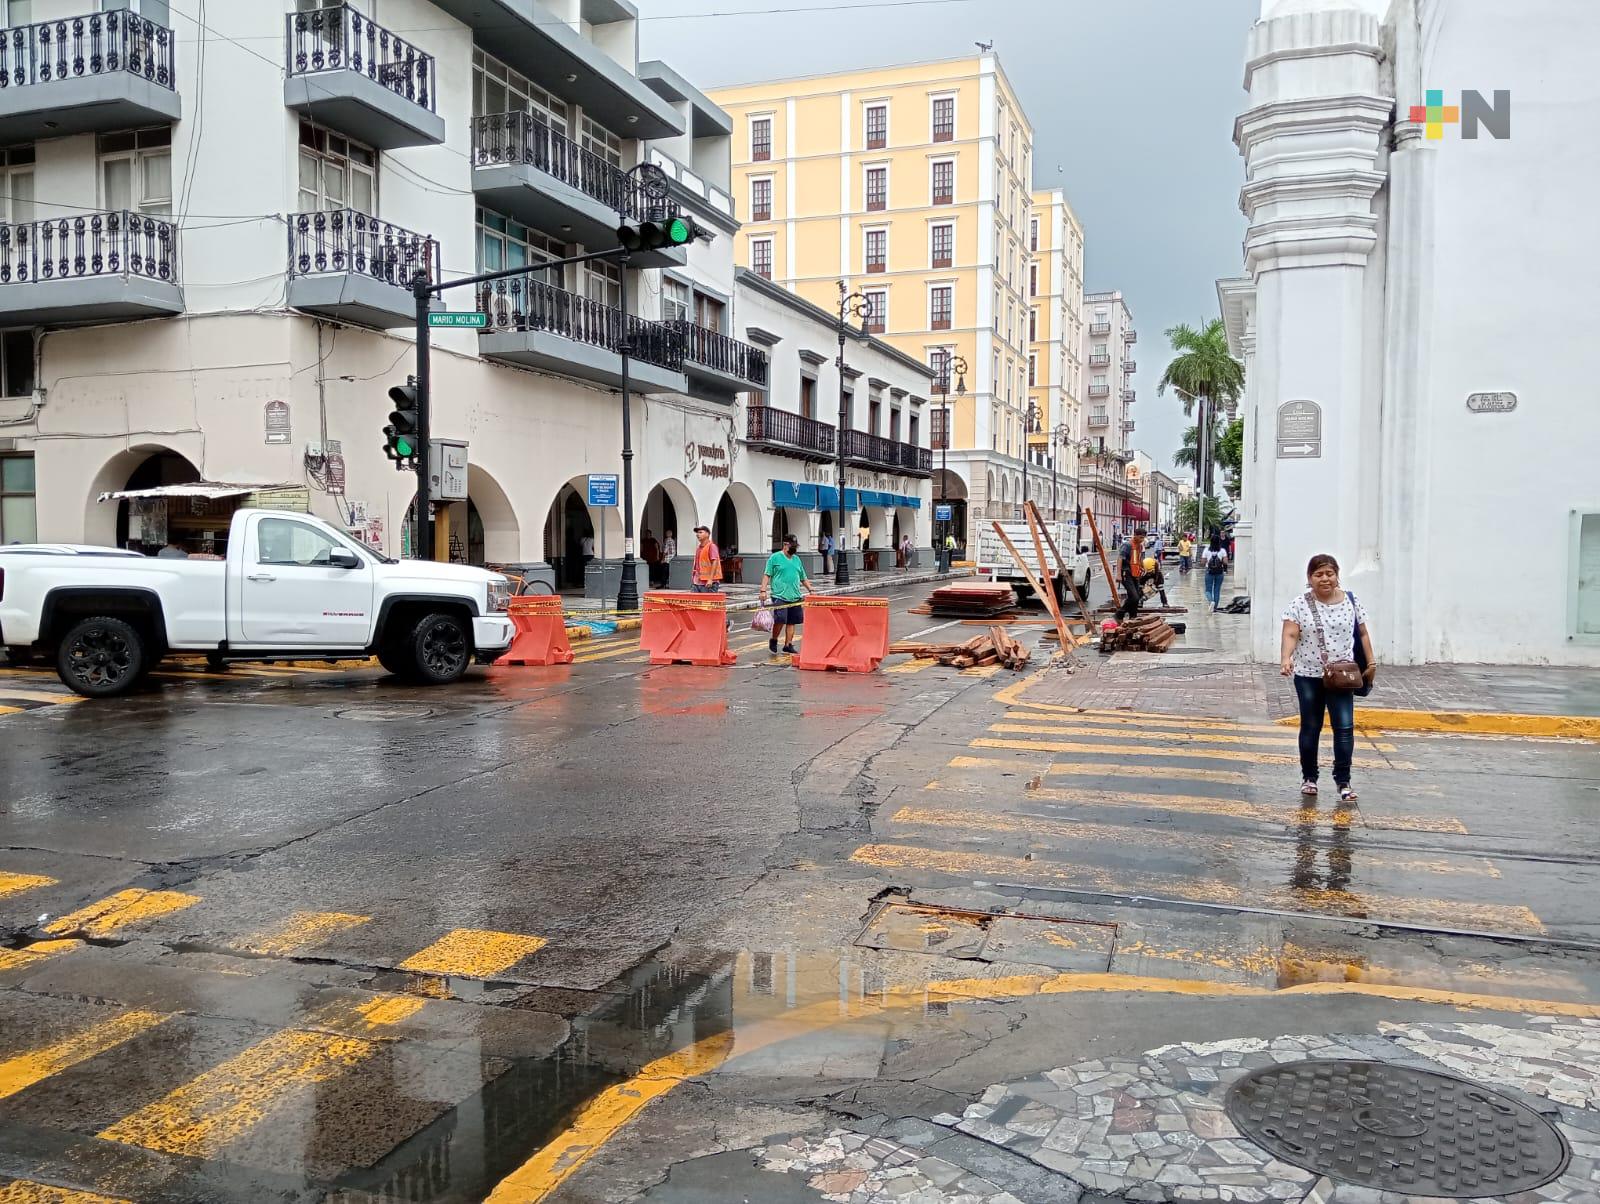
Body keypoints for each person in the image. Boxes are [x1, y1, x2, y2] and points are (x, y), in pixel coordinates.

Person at [1280, 553, 1377, 802]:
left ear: (1337, 575)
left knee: (1344, 728)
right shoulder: (1299, 604)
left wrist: (1371, 661)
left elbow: (1363, 633)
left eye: (1330, 573)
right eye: (1319, 574)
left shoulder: (1351, 601)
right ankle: (1309, 777)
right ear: (1309, 578)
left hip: (1342, 675)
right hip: (1308, 675)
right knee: (1311, 727)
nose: (1325, 579)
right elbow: (1291, 634)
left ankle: (1343, 781)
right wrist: (1286, 658)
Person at [761, 533, 814, 655]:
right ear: (785, 545)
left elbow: (803, 577)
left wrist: (811, 589)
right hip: (779, 595)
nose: (794, 548)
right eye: (792, 546)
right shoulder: (775, 558)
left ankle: (788, 644)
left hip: (795, 595)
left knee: (792, 621)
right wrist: (763, 591)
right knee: (780, 619)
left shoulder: (797, 559)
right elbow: (767, 574)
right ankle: (774, 639)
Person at [1115, 528, 1146, 621]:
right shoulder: (1127, 545)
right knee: (1134, 597)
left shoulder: (1139, 546)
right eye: (1140, 537)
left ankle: (1133, 615)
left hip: (1135, 574)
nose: (1142, 539)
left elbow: (1139, 559)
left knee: (1137, 596)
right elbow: (1120, 559)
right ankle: (1119, 614)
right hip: (1126, 573)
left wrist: (1142, 568)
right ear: (1135, 535)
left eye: (1143, 538)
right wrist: (1118, 574)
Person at [690, 524, 721, 593]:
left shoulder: (711, 546)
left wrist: (710, 579)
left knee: (707, 603)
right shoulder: (699, 548)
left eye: (700, 532)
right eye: (697, 533)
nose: (698, 534)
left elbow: (715, 562)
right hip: (696, 582)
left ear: (707, 534)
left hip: (708, 583)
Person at [1202, 533, 1228, 611]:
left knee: (1208, 590)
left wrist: (1207, 560)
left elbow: (1203, 562)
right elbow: (1225, 562)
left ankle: (1211, 601)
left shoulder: (1206, 550)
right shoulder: (1222, 550)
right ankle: (1215, 607)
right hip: (1219, 572)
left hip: (1209, 572)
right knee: (1217, 590)